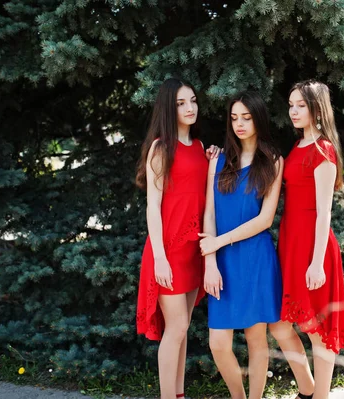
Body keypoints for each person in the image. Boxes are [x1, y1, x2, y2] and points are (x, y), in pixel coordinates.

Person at [135, 78, 219, 399]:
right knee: (177, 327)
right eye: (181, 103)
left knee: (182, 330)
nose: (190, 107)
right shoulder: (160, 147)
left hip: (193, 249)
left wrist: (213, 159)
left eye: (193, 100)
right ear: (169, 109)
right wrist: (159, 257)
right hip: (168, 249)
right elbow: (152, 207)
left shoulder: (199, 147)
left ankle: (179, 394)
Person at [198, 91, 283, 399]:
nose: (240, 124)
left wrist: (218, 242)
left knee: (257, 341)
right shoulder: (218, 159)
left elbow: (265, 220)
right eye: (234, 118)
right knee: (218, 343)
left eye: (246, 117)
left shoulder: (273, 160)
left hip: (255, 258)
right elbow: (209, 212)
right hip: (220, 260)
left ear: (258, 118)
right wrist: (210, 262)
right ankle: (238, 396)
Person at [270, 80, 344, 399]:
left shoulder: (323, 150)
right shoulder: (298, 145)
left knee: (318, 331)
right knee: (279, 325)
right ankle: (307, 389)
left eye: (300, 105)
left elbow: (324, 212)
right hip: (290, 243)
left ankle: (321, 396)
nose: (293, 111)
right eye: (291, 105)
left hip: (314, 247)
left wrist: (317, 263)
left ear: (317, 109)